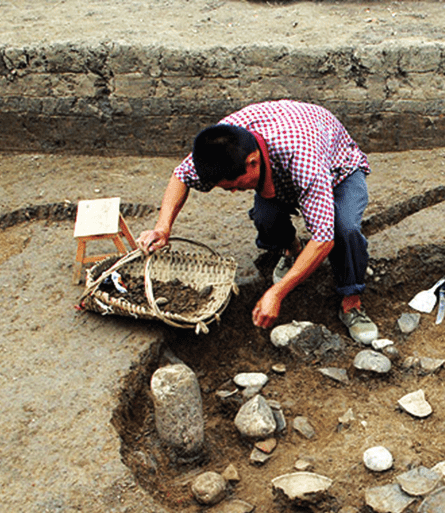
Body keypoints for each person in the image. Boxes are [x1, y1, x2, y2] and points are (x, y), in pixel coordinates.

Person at [136, 100, 379, 345]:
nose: (233, 193)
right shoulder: (221, 144)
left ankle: (352, 302)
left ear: (252, 162)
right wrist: (162, 227)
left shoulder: (304, 160)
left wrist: (278, 292)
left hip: (338, 170)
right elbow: (180, 176)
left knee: (344, 228)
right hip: (282, 164)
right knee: (266, 218)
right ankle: (292, 250)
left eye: (236, 186)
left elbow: (323, 239)